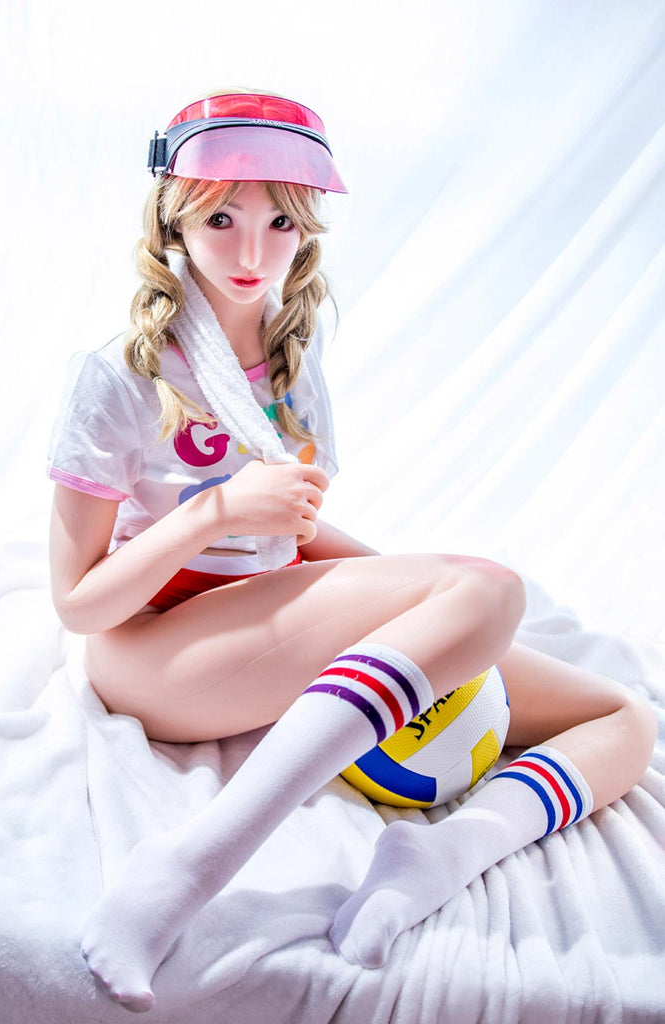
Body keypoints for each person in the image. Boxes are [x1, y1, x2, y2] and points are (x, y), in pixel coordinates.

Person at [47, 90, 656, 1013]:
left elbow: (292, 537)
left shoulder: (293, 363)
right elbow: (78, 603)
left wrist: (421, 603)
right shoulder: (121, 376)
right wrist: (212, 515)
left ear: (306, 232)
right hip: (150, 649)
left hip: (259, 617)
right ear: (174, 221)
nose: (251, 254)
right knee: (488, 589)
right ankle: (190, 864)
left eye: (280, 224)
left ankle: (441, 855)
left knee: (620, 717)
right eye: (221, 219)